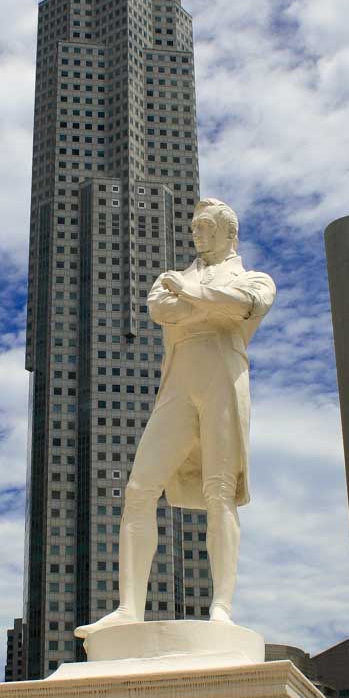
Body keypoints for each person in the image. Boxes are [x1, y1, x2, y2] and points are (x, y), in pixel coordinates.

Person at [76, 198, 276, 638]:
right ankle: (129, 607)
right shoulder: (172, 279)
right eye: (194, 227)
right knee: (139, 488)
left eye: (206, 227)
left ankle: (221, 604)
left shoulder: (253, 278)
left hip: (224, 376)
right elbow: (161, 311)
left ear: (229, 233)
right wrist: (204, 302)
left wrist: (189, 295)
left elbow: (242, 305)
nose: (197, 234)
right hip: (179, 383)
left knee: (220, 490)